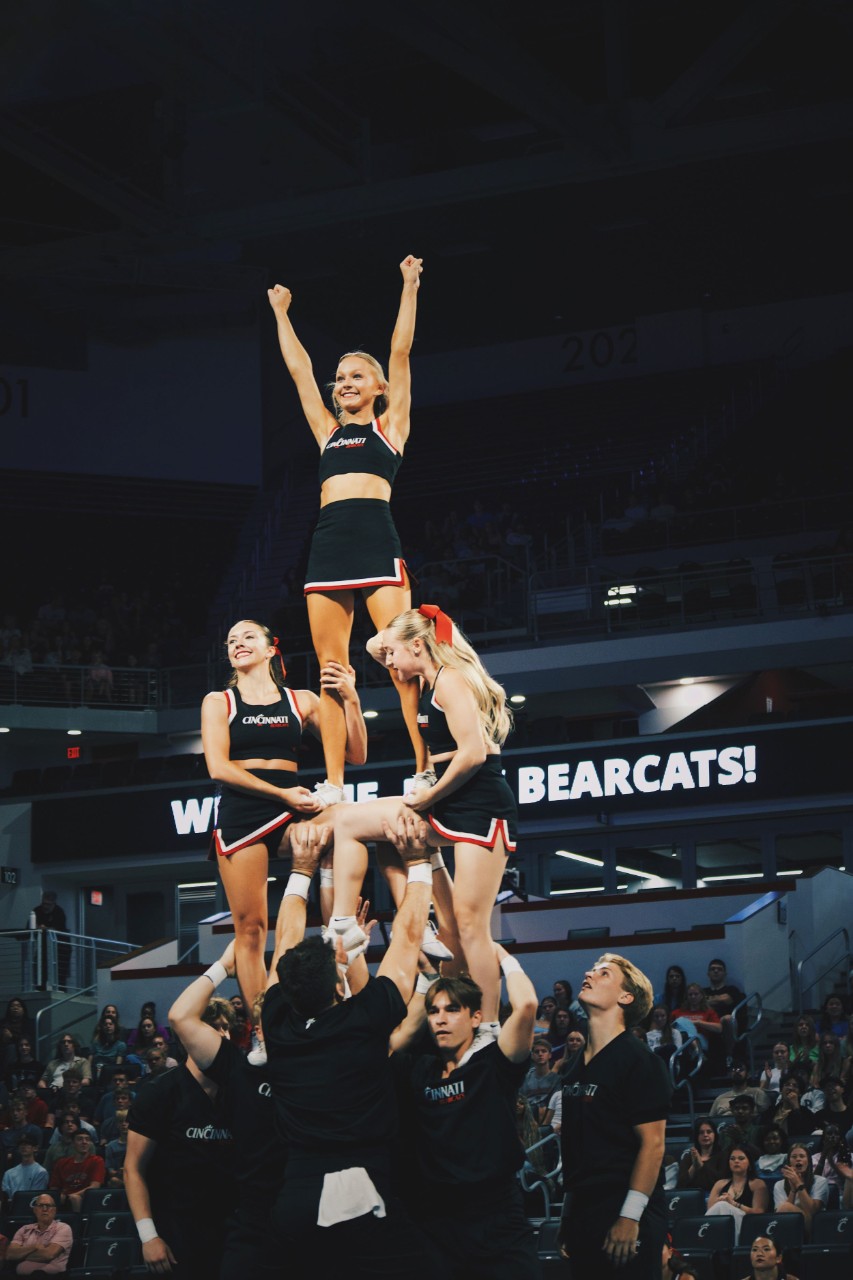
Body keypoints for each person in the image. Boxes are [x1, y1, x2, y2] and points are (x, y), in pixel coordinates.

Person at [267, 255, 428, 800]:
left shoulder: (390, 426)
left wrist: (409, 283)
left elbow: (401, 349)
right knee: (332, 673)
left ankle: (423, 766)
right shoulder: (326, 432)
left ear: (380, 386)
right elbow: (297, 371)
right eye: (340, 379)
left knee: (404, 661)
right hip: (329, 546)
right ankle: (335, 782)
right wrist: (281, 313)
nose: (343, 384)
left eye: (357, 375)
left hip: (376, 541)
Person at [262, 809, 437, 1279]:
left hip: (296, 1194)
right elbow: (408, 940)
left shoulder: (276, 1022)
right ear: (338, 985)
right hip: (359, 1187)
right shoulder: (364, 1020)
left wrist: (301, 870)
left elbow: (282, 945)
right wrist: (418, 862)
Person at [330, 604, 516, 1022]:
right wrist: (411, 627)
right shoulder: (430, 679)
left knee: (472, 930)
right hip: (448, 797)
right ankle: (342, 926)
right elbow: (375, 644)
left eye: (396, 653)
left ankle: (486, 1024)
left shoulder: (450, 681)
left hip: (480, 803)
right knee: (351, 822)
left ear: (418, 646)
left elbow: (471, 755)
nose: (388, 661)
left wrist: (426, 798)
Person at [202, 616, 367, 1056]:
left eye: (248, 637)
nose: (238, 643)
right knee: (252, 930)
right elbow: (218, 768)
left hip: (291, 805)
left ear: (272, 647)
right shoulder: (219, 701)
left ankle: (341, 938)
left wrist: (351, 699)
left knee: (348, 827)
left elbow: (356, 753)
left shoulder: (303, 700)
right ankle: (262, 1029)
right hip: (244, 811)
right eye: (231, 639)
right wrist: (282, 794)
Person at [391, 958, 540, 1280]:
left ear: (475, 1018)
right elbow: (392, 1044)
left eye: (452, 1010)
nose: (440, 1020)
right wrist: (427, 979)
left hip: (496, 1215)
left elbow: (527, 1004)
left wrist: (501, 956)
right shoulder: (418, 1070)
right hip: (434, 1222)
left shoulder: (492, 1064)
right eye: (434, 1011)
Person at [558, 953, 671, 1277]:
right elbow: (578, 1149)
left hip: (625, 1210)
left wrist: (629, 1217)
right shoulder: (574, 1067)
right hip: (584, 1213)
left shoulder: (640, 1061)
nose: (589, 974)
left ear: (626, 996)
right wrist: (568, 1216)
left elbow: (653, 1145)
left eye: (604, 973)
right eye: (592, 970)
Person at [125, 997, 237, 1280]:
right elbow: (133, 1168)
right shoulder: (159, 1093)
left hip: (231, 1235)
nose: (223, 1035)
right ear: (189, 1035)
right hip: (176, 1237)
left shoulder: (240, 1091)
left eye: (227, 1027)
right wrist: (148, 1236)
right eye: (214, 1027)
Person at [705, 1145, 770, 1244]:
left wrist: (733, 1204)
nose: (736, 1161)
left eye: (741, 1158)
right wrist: (721, 1201)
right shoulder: (720, 1184)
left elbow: (759, 1213)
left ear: (749, 1163)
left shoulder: (757, 1184)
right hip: (720, 1227)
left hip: (747, 1225)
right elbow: (711, 1211)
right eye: (732, 1159)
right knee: (721, 1206)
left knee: (723, 1205)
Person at [4, 1193, 72, 1276]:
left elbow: (48, 1255)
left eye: (48, 1205)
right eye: (40, 1205)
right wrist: (35, 1247)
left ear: (54, 1210)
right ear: (35, 1210)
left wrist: (21, 1254)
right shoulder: (24, 1229)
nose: (44, 1209)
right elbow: (10, 1254)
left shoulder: (63, 1228)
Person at [773, 1142, 830, 1236]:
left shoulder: (820, 1181)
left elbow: (813, 1211)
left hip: (814, 1225)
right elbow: (781, 1215)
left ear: (808, 1161)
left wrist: (798, 1184)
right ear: (789, 1162)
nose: (798, 1159)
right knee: (785, 1207)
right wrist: (793, 1191)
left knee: (785, 1206)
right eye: (794, 1157)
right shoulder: (779, 1185)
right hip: (788, 1226)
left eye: (802, 1156)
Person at [48, 1129, 104, 1212]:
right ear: (73, 1143)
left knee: (75, 1198)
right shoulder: (62, 1163)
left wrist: (72, 1195)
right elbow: (54, 1187)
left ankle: (77, 1223)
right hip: (64, 1199)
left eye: (87, 1139)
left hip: (87, 1199)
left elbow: (95, 1186)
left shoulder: (97, 1161)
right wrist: (60, 1195)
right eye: (80, 1139)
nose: (84, 1142)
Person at [30, 892, 70, 991]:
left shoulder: (59, 912)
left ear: (53, 903)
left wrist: (45, 928)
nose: (45, 906)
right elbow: (30, 927)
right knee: (40, 968)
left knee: (59, 971)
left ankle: (60, 989)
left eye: (48, 904)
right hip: (42, 946)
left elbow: (58, 928)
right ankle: (40, 988)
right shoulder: (37, 911)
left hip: (60, 947)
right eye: (44, 903)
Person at [676, 1118, 727, 1192]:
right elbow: (680, 1186)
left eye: (709, 1132)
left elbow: (721, 1182)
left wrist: (702, 1166)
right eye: (701, 1132)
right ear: (697, 1136)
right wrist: (694, 1166)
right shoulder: (689, 1157)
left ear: (715, 1135)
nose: (705, 1135)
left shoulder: (723, 1156)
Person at [1, 1135, 48, 1208]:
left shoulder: (41, 1172)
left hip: (31, 1209)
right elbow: (6, 1195)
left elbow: (35, 1196)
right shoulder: (9, 1173)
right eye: (21, 1144)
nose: (23, 1146)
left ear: (35, 1148)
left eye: (27, 1144)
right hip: (11, 1209)